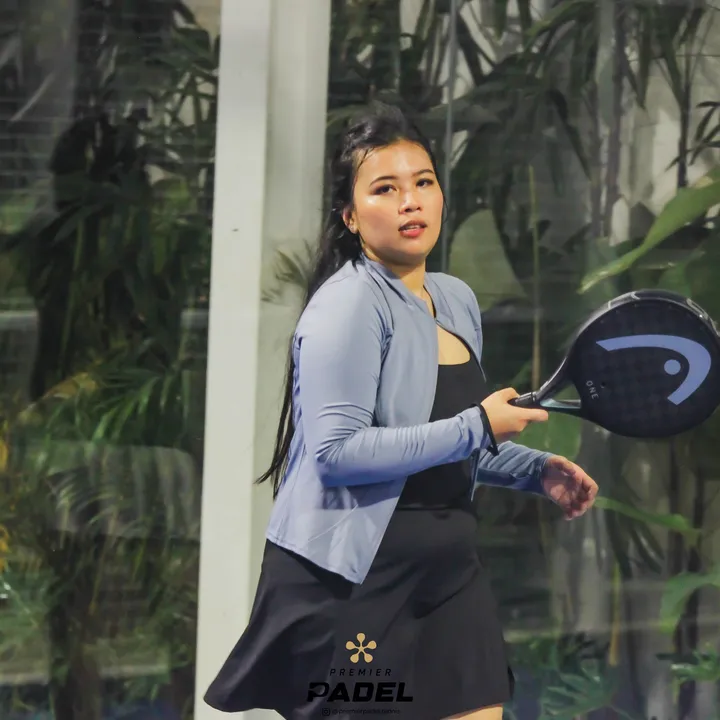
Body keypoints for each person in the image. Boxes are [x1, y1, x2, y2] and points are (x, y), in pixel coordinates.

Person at [203, 102, 598, 720]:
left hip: (449, 579)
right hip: (356, 586)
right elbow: (337, 454)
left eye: (423, 182)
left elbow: (435, 440)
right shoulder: (348, 307)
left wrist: (533, 470)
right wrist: (478, 425)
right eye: (385, 188)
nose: (411, 201)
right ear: (351, 215)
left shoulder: (455, 299)